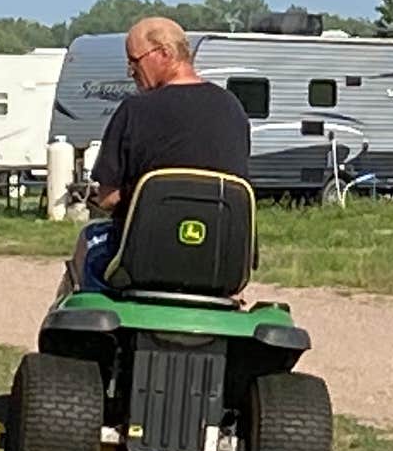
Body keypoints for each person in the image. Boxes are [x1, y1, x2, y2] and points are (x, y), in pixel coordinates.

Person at [67, 17, 253, 292]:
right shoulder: (234, 108)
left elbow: (107, 198)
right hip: (221, 255)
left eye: (134, 60)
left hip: (146, 254)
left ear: (165, 53)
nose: (131, 71)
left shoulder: (134, 110)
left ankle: (82, 330)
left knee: (90, 240)